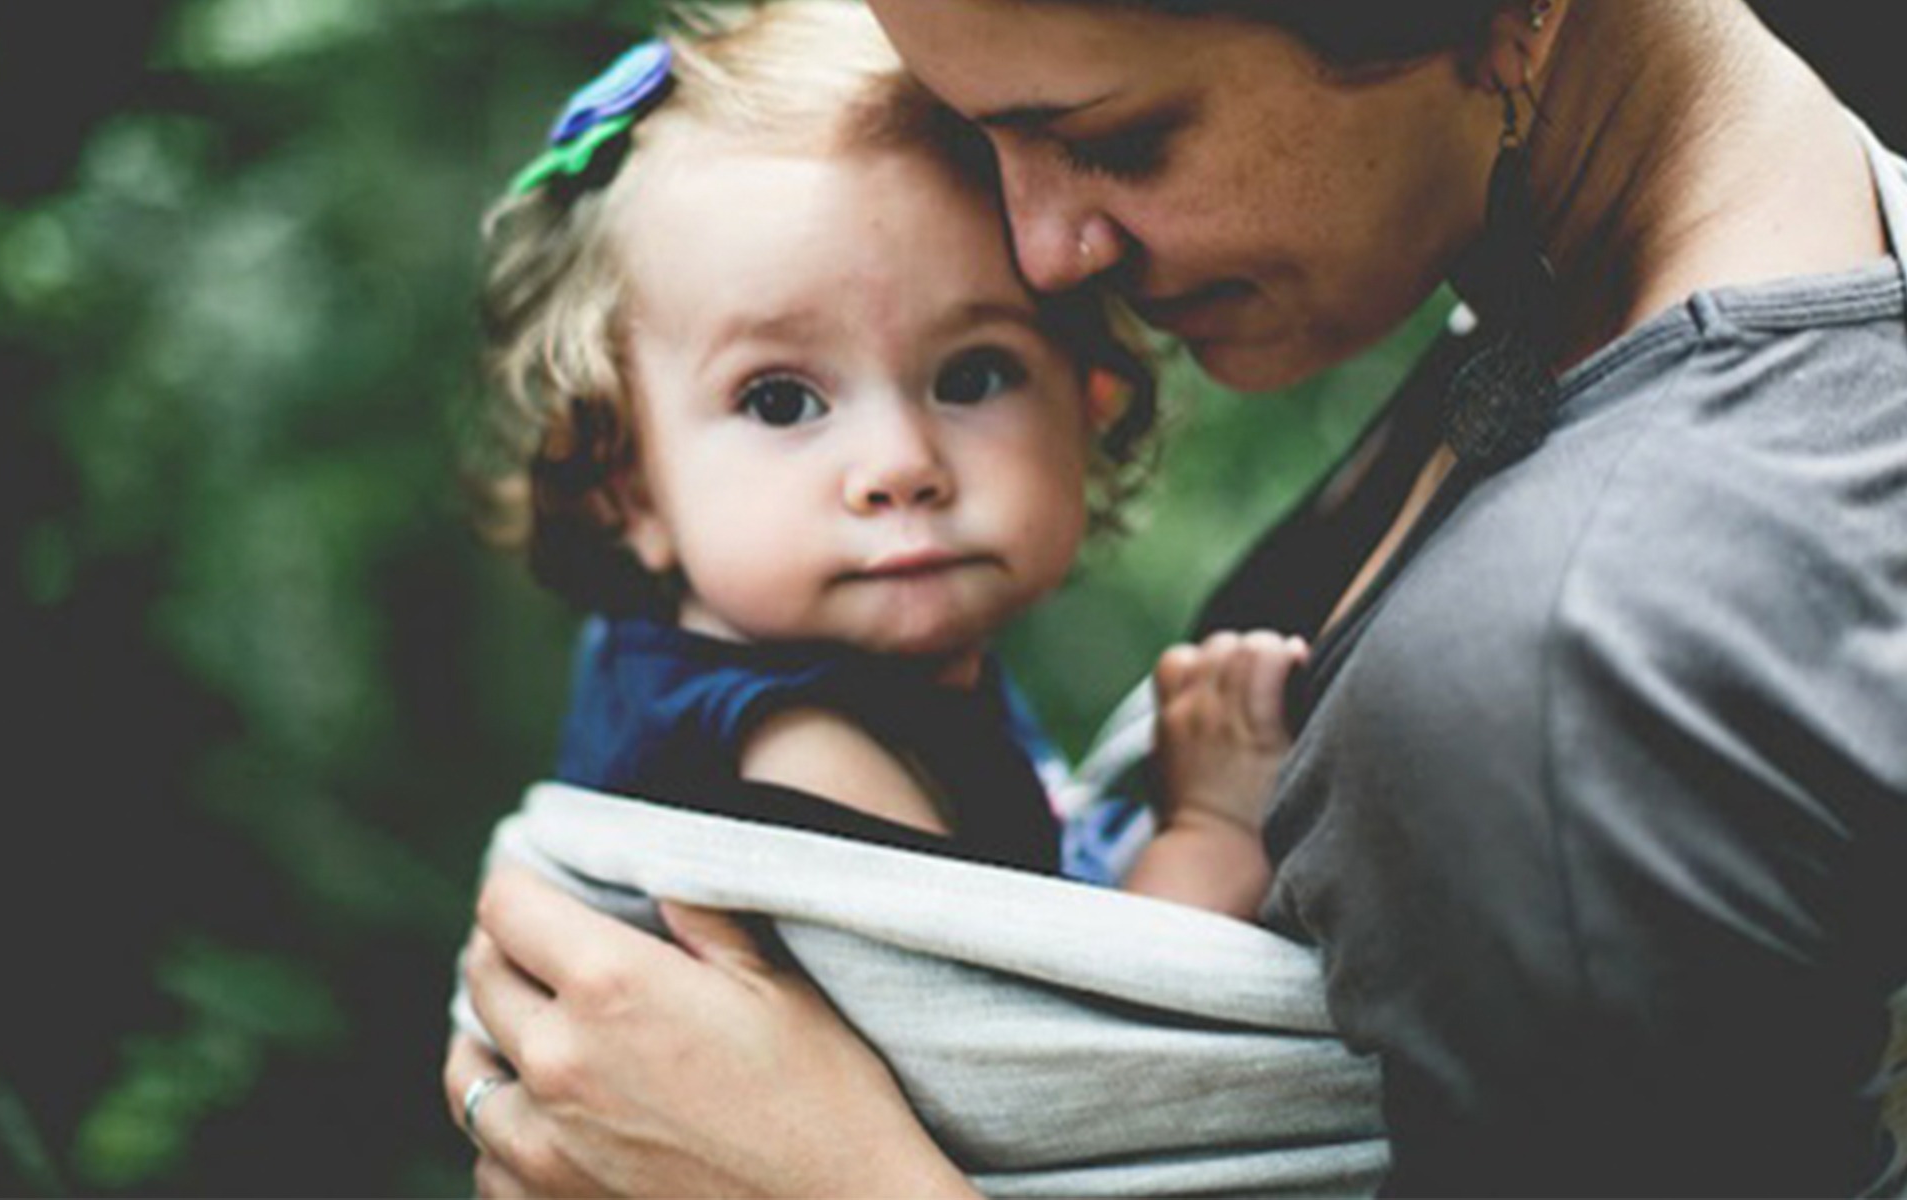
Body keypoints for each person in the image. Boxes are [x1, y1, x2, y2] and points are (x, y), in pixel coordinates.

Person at [448, 0, 1907, 1193]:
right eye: (986, 138)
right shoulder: (1601, 254)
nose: (1041, 255)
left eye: (1115, 135)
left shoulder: (1558, 675)